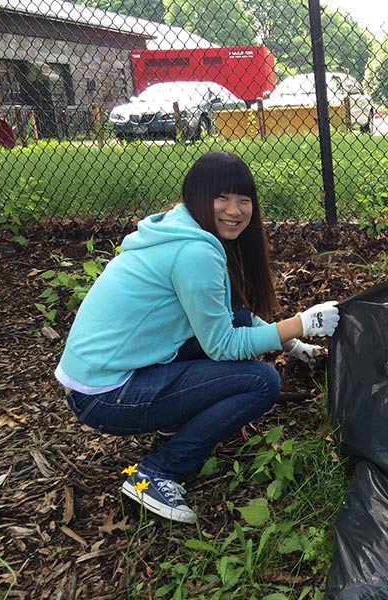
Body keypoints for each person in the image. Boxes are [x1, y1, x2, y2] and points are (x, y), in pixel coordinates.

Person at [54, 151, 340, 524]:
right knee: (261, 382)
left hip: (96, 378)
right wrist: (303, 322)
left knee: (237, 323)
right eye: (222, 197)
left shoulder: (180, 226)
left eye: (244, 199)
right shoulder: (194, 252)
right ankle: (158, 472)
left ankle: (177, 415)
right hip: (106, 396)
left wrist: (295, 345)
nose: (235, 210)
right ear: (198, 197)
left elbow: (232, 316)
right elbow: (223, 346)